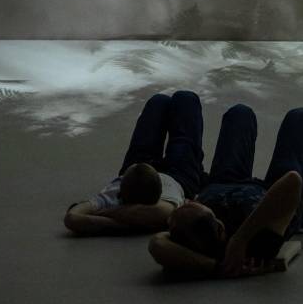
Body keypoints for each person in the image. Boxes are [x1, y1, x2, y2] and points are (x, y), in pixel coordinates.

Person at [151, 104, 303, 277]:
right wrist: (240, 239)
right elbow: (293, 181)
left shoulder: (187, 235)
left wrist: (215, 268)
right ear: (220, 227)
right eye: (194, 204)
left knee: (239, 113)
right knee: (300, 117)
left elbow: (156, 243)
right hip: (274, 193)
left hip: (222, 183)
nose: (190, 201)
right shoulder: (255, 243)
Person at [64, 90, 205, 235]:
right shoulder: (163, 207)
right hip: (179, 178)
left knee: (158, 101)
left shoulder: (109, 199)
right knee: (186, 98)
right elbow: (157, 213)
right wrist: (129, 223)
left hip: (139, 179)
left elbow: (72, 218)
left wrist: (108, 216)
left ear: (120, 190)